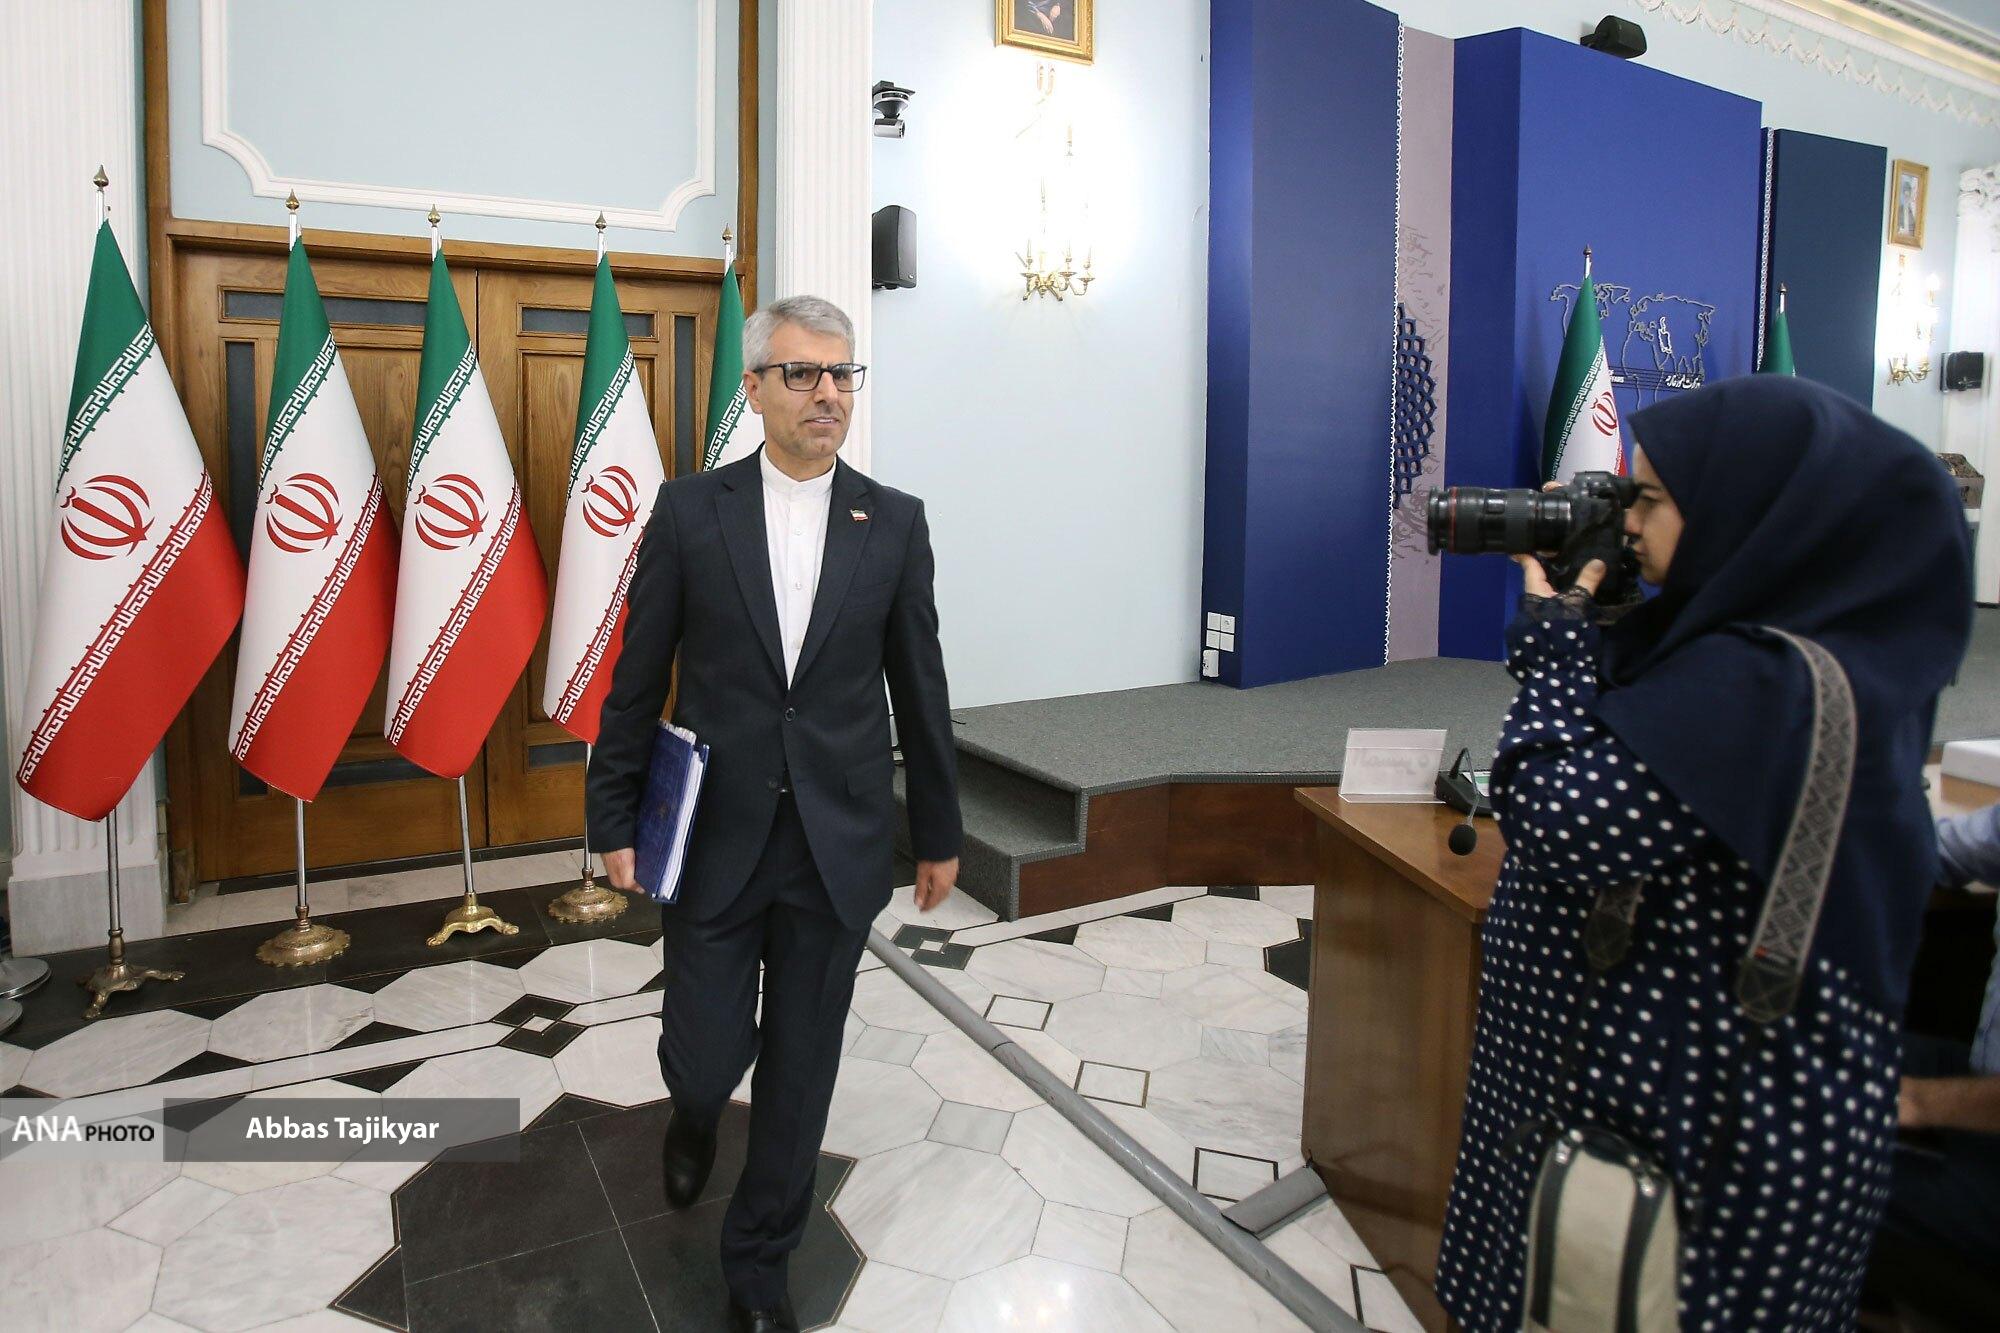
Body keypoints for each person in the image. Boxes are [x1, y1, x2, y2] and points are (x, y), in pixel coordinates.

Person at [1434, 375, 1974, 1330]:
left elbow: (1560, 821)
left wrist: (1555, 641)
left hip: (1687, 1159)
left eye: (1647, 499)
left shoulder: (1763, 684)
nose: (1627, 523)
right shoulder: (1785, 650)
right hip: (1651, 1122)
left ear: (1748, 509)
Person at [586, 295, 962, 1333]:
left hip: (837, 843)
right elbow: (637, 678)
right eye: (802, 373)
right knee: (706, 1048)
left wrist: (936, 830)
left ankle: (758, 1267)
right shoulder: (688, 512)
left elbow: (920, 687)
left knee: (801, 1068)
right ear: (753, 388)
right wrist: (612, 816)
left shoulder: (894, 522)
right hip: (716, 835)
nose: (826, 393)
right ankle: (695, 1110)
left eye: (841, 374)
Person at [1862, 800, 2000, 1327]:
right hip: (1981, 1075)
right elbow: (1938, 851)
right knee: (1802, 1056)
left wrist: (1919, 1102)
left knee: (1792, 1158)